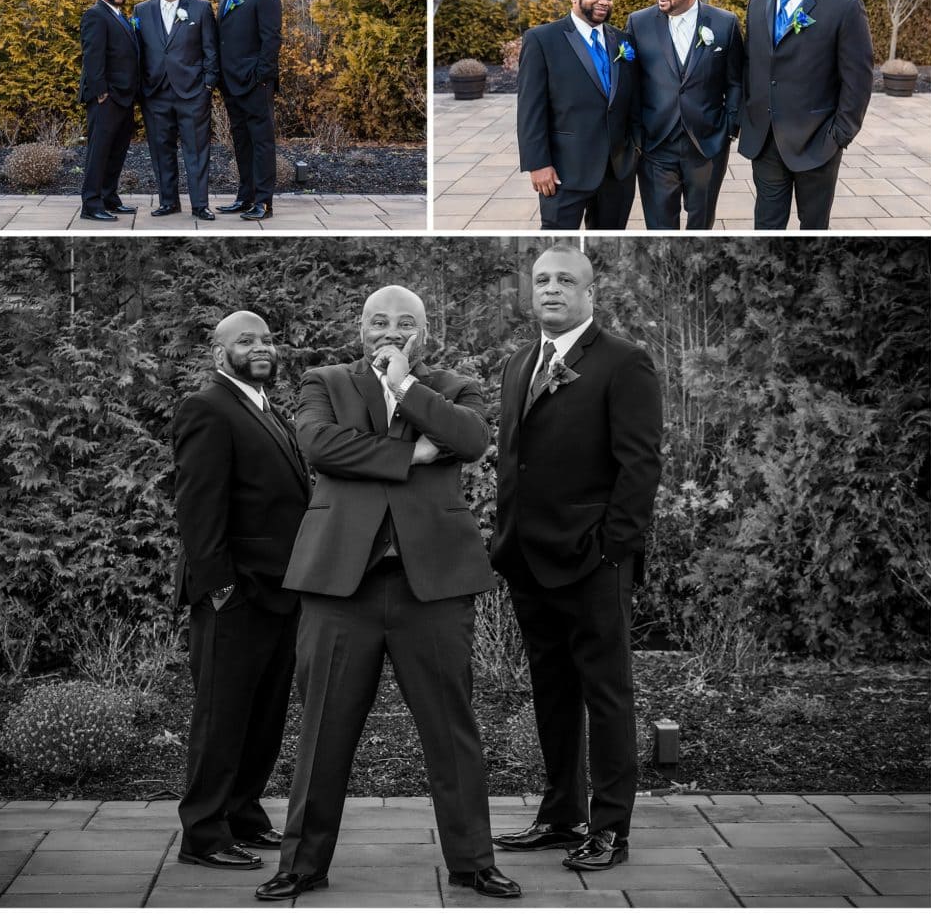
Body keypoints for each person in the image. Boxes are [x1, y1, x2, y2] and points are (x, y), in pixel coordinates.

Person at [254, 286, 521, 902]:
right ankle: (302, 864)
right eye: (379, 321)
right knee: (323, 728)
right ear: (361, 327)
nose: (390, 331)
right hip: (338, 585)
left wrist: (405, 389)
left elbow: (473, 440)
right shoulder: (325, 381)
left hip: (432, 587)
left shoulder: (452, 387)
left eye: (404, 324)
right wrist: (412, 454)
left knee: (452, 729)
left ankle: (473, 862)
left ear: (421, 334)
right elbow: (320, 446)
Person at [490, 245, 662, 873]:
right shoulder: (519, 363)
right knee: (551, 691)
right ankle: (561, 814)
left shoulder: (623, 362)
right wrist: (502, 539)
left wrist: (613, 550)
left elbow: (640, 465)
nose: (551, 289)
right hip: (527, 560)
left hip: (593, 562)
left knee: (606, 695)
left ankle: (611, 828)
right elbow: (517, 461)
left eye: (566, 280)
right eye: (542, 280)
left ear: (591, 293)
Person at [173, 310, 310, 870]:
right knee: (221, 717)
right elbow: (198, 509)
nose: (261, 347)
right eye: (246, 340)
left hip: (280, 593)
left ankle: (243, 815)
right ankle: (203, 833)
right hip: (235, 596)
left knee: (263, 715)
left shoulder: (268, 410)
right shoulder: (207, 408)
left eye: (267, 339)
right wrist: (221, 590)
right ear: (218, 353)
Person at [738, 0, 874, 229]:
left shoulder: (844, 7)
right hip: (765, 141)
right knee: (766, 227)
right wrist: (748, 118)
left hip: (818, 143)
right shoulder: (757, 3)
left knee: (813, 228)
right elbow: (751, 65)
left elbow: (858, 80)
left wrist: (840, 135)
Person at [516, 0, 641, 230]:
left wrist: (634, 150)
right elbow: (530, 108)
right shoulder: (542, 39)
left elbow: (632, 102)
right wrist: (538, 164)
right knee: (557, 240)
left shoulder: (623, 40)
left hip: (617, 172)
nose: (604, 1)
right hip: (565, 171)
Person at [625, 0, 743, 229]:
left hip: (707, 143)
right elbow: (631, 83)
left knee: (701, 224)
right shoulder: (639, 22)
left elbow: (735, 80)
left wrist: (730, 126)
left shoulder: (724, 23)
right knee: (658, 226)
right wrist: (636, 132)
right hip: (655, 144)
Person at [134, 0, 219, 221]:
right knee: (161, 150)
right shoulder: (141, 10)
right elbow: (137, 51)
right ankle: (168, 202)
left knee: (197, 149)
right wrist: (141, 88)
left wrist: (208, 85)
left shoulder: (200, 8)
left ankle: (200, 205)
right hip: (155, 92)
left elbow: (211, 49)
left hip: (193, 92)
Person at [215, 0, 282, 222]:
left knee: (262, 142)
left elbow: (271, 40)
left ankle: (264, 202)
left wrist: (261, 77)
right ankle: (245, 197)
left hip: (255, 84)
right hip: (231, 84)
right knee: (241, 142)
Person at [78, 0, 139, 222]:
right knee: (99, 151)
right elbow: (92, 56)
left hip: (124, 96)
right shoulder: (95, 15)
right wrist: (101, 92)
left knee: (117, 151)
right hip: (106, 97)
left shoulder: (120, 16)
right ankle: (91, 204)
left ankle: (109, 197)